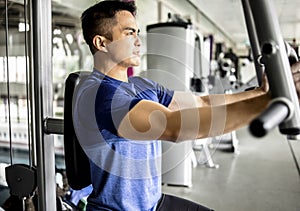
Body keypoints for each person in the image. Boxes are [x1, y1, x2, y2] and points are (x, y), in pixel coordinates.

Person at [73, 1, 299, 210]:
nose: (139, 41)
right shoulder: (99, 95)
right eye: (129, 33)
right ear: (101, 43)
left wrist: (260, 93)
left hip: (153, 202)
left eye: (138, 33)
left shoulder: (140, 84)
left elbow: (201, 102)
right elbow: (175, 126)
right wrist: (270, 101)